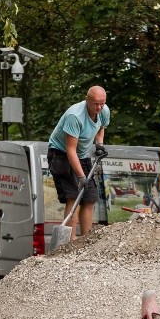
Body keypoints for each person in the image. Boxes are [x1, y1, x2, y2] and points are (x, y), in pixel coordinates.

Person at [47, 86, 110, 239]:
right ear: (87, 100)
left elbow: (101, 128)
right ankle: (70, 241)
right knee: (74, 196)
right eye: (96, 104)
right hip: (61, 154)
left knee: (90, 196)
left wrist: (99, 144)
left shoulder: (104, 111)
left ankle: (85, 239)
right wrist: (82, 177)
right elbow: (70, 150)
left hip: (81, 155)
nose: (99, 107)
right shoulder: (74, 116)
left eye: (102, 103)